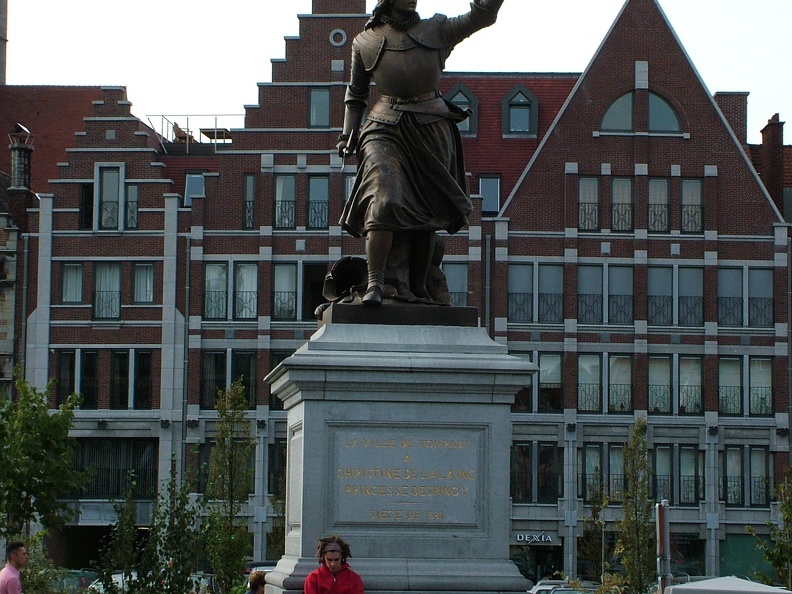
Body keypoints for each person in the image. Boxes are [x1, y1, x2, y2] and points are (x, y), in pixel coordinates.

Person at [337, 0, 505, 306]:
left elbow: (481, 16)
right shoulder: (365, 41)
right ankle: (376, 283)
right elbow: (357, 93)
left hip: (430, 127)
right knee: (384, 199)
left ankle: (416, 286)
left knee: (427, 214)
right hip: (383, 126)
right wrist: (348, 132)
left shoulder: (437, 30)